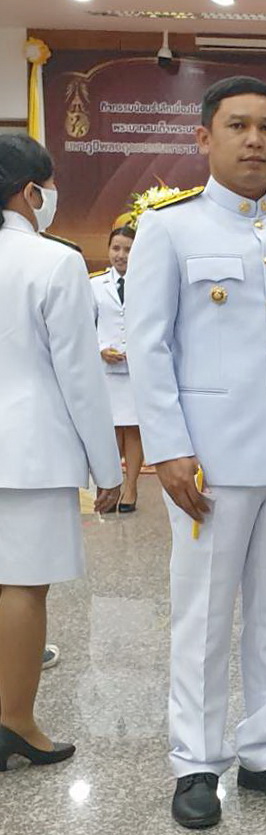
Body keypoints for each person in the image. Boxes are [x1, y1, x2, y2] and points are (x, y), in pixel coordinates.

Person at [125, 75, 266, 829]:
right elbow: (148, 348)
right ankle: (195, 761)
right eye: (237, 126)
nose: (254, 140)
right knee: (201, 616)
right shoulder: (170, 227)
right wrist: (165, 448)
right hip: (208, 466)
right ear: (204, 138)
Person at [0, 134, 121, 771]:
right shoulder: (54, 262)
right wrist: (109, 469)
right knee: (21, 586)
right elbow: (79, 374)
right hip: (25, 451)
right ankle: (15, 720)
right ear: (30, 192)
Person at [90, 224, 143, 513]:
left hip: (136, 369)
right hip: (105, 370)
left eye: (127, 249)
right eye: (116, 248)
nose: (120, 255)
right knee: (110, 430)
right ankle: (109, 487)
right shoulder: (95, 285)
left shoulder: (147, 282)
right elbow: (84, 325)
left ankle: (131, 487)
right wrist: (99, 350)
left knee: (133, 429)